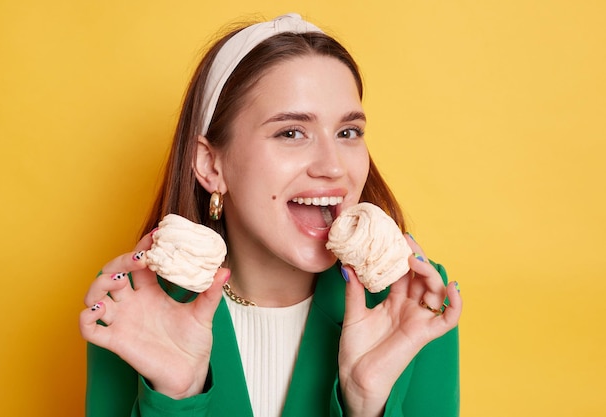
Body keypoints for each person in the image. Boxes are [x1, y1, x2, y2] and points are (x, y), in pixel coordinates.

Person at [79, 13, 462, 417]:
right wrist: (175, 398)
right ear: (211, 165)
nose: (333, 167)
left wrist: (366, 402)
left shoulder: (412, 305)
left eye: (348, 132)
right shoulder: (135, 310)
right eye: (291, 132)